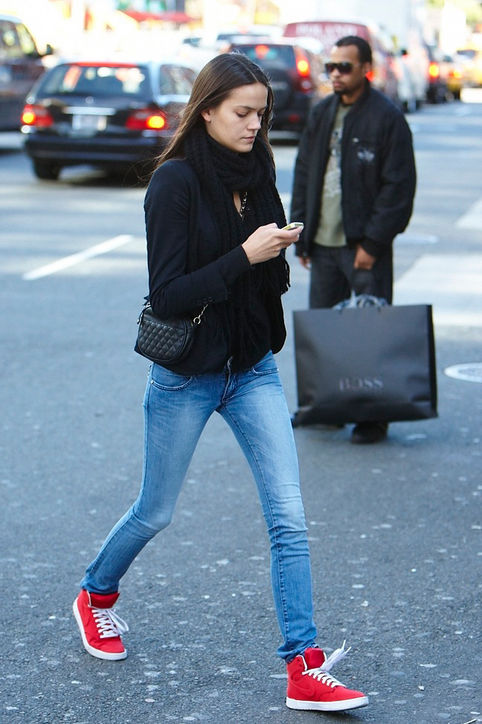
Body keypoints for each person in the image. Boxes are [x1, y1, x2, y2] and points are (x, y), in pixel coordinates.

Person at [72, 52, 368, 713]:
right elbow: (169, 295)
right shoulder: (173, 183)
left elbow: (265, 274)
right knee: (155, 510)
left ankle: (303, 665)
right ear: (207, 110)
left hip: (253, 368)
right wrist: (244, 254)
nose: (255, 125)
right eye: (242, 113)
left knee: (289, 518)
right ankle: (96, 593)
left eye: (262, 113)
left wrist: (277, 252)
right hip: (188, 375)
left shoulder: (258, 170)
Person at [290, 36, 416, 444]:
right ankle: (327, 407)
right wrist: (302, 234)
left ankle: (373, 417)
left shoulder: (387, 118)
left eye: (344, 66)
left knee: (370, 333)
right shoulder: (322, 112)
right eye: (330, 67)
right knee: (324, 330)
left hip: (363, 246)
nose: (335, 74)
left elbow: (399, 188)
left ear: (366, 69)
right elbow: (304, 173)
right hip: (323, 242)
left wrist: (374, 244)